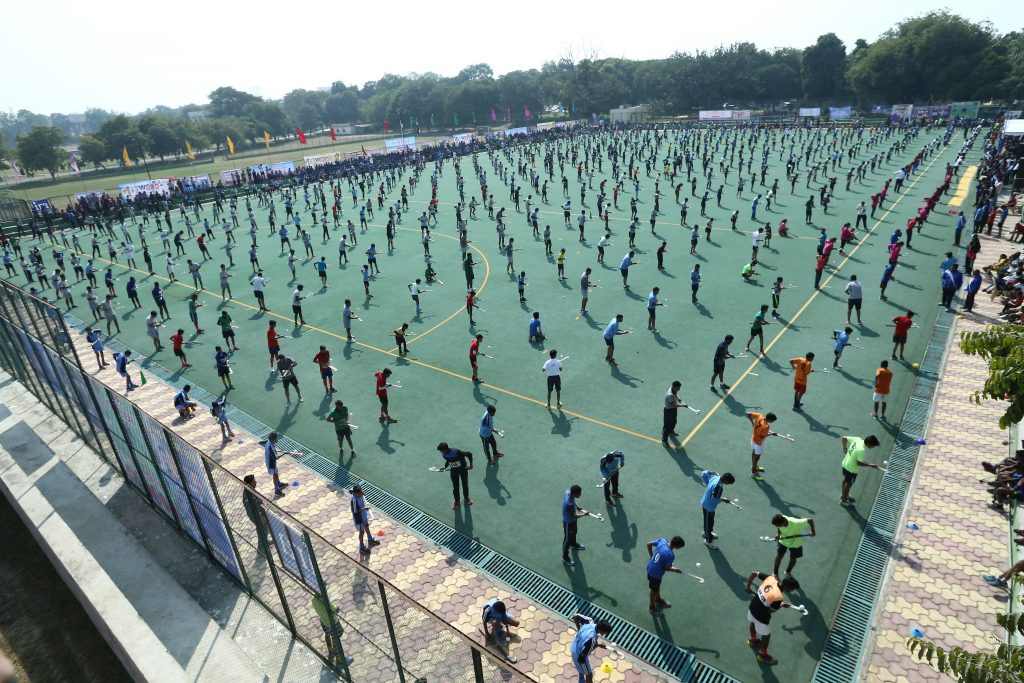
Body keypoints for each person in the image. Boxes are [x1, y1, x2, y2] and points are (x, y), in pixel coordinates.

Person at [744, 571, 801, 665]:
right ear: (787, 588)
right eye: (792, 589)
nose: (792, 591)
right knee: (766, 635)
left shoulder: (771, 578)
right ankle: (762, 656)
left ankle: (752, 640)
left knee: (753, 622)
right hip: (761, 616)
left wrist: (748, 586)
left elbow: (754, 573)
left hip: (752, 607)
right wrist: (781, 605)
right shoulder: (778, 597)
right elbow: (770, 611)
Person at [311, 594, 355, 669]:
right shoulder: (323, 599)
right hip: (333, 623)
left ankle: (331, 651)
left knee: (327, 634)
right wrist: (336, 608)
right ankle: (340, 661)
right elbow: (334, 608)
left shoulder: (314, 600)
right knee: (337, 636)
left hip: (324, 621)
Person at [646, 536, 685, 613]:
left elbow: (648, 544)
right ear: (677, 546)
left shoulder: (662, 541)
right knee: (653, 590)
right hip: (655, 573)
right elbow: (665, 568)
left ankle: (658, 599)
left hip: (650, 567)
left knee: (657, 586)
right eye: (680, 547)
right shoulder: (670, 555)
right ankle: (651, 606)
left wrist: (651, 556)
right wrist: (674, 569)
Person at [570, 614, 612, 683]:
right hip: (579, 655)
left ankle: (581, 677)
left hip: (574, 645)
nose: (605, 634)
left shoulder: (589, 621)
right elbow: (583, 655)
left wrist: (579, 630)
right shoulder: (592, 639)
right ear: (601, 630)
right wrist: (596, 645)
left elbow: (575, 616)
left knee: (581, 669)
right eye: (605, 632)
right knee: (589, 674)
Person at [840, 434, 881, 505]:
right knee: (848, 484)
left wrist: (845, 449)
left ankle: (844, 494)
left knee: (846, 480)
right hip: (851, 469)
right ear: (869, 444)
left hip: (845, 464)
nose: (873, 447)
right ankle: (844, 500)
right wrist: (870, 465)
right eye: (873, 445)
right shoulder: (862, 450)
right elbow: (859, 463)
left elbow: (844, 438)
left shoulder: (857, 439)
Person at [700, 470, 735, 550]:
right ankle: (708, 541)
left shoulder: (715, 477)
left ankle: (706, 533)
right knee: (709, 523)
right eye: (728, 483)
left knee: (708, 521)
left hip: (705, 502)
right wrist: (723, 500)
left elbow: (704, 473)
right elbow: (714, 500)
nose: (728, 484)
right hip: (709, 507)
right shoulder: (719, 487)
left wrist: (708, 484)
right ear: (726, 481)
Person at [436, 441, 474, 509]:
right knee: (455, 487)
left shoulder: (456, 452)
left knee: (464, 484)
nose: (440, 452)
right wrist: (445, 467)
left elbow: (469, 454)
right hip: (454, 471)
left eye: (441, 451)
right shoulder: (444, 454)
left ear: (445, 449)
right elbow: (449, 460)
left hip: (463, 469)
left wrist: (471, 465)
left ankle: (466, 498)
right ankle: (457, 501)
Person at [242, 474, 271, 559]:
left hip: (260, 514)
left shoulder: (250, 489)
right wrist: (260, 516)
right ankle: (261, 550)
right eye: (254, 482)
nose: (256, 482)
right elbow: (251, 509)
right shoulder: (248, 495)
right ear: (249, 484)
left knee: (263, 530)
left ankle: (265, 544)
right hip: (257, 517)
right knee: (262, 530)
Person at [562, 484, 589, 566]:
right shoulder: (569, 504)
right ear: (574, 494)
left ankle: (573, 545)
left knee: (574, 533)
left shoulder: (567, 492)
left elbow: (573, 501)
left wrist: (576, 506)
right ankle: (565, 557)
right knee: (567, 539)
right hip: (568, 523)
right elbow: (574, 516)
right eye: (579, 494)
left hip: (573, 521)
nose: (580, 495)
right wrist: (584, 514)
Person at [747, 411, 778, 480]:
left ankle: (754, 466)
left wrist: (752, 423)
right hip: (758, 443)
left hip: (753, 439)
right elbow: (762, 436)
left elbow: (748, 414)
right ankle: (753, 473)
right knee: (757, 458)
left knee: (753, 453)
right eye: (773, 421)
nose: (773, 422)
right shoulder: (766, 426)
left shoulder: (759, 415)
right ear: (770, 420)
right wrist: (772, 434)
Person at [350, 484, 380, 553]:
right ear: (355, 494)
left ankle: (370, 539)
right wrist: (365, 508)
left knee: (366, 525)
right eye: (359, 493)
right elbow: (355, 511)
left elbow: (363, 497)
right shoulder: (354, 500)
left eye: (361, 492)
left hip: (363, 515)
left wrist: (363, 494)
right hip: (359, 518)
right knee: (362, 532)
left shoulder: (360, 494)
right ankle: (361, 547)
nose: (361, 494)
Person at [662, 380, 692, 444]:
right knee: (666, 426)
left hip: (673, 410)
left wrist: (678, 397)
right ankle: (664, 440)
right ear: (674, 387)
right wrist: (683, 406)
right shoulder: (670, 395)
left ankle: (671, 432)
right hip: (668, 410)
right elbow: (673, 405)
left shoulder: (672, 389)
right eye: (678, 388)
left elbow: (675, 393)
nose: (679, 389)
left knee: (674, 421)